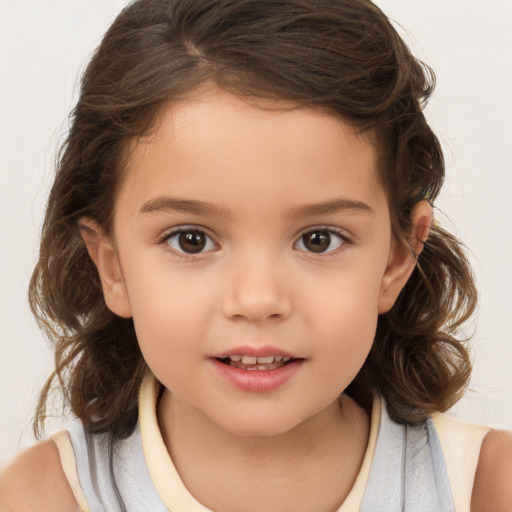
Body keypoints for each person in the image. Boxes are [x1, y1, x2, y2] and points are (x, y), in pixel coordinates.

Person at [0, 0, 510, 510]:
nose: (258, 299)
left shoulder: (487, 487)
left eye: (319, 239)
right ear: (112, 267)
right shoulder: (44, 496)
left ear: (398, 258)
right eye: (191, 240)